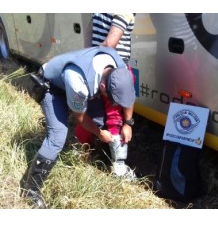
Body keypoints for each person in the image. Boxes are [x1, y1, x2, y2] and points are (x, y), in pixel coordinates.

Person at [23, 46, 136, 209]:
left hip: (87, 84)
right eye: (112, 99)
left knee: (97, 119)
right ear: (103, 88)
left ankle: (95, 155)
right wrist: (99, 133)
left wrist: (128, 123)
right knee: (57, 137)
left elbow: (128, 97)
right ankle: (30, 190)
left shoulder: (121, 70)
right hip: (54, 88)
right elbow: (80, 118)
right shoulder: (78, 83)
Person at [75, 13, 136, 178]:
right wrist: (128, 123)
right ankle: (118, 167)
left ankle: (82, 153)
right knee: (115, 116)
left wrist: (88, 59)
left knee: (90, 112)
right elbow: (110, 43)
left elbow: (89, 34)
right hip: (114, 69)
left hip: (93, 67)